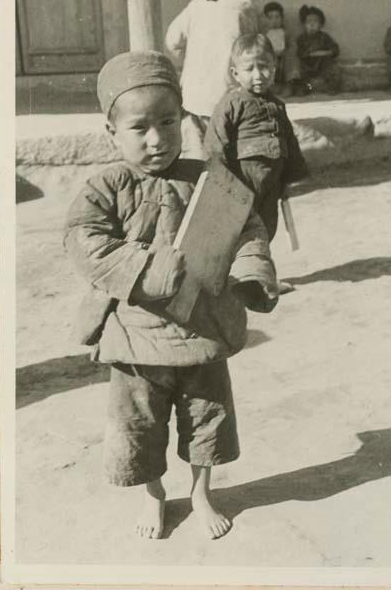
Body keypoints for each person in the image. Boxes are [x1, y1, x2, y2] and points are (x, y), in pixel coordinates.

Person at [64, 51, 279, 541]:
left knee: (209, 418)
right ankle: (154, 493)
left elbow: (246, 225)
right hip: (137, 337)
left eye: (168, 121)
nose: (157, 139)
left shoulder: (208, 177)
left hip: (204, 326)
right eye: (140, 128)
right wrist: (149, 267)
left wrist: (250, 271)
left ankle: (202, 492)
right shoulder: (106, 187)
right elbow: (85, 240)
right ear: (111, 132)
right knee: (140, 421)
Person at [205, 33, 308, 244]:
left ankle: (262, 270)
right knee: (240, 230)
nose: (258, 75)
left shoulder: (278, 105)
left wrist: (288, 178)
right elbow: (215, 143)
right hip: (243, 181)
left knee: (268, 227)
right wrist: (221, 181)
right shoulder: (232, 103)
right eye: (249, 69)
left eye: (264, 67)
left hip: (272, 181)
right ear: (235, 73)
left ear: (274, 68)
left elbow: (289, 141)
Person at [165, 0, 258, 158]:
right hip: (227, 91)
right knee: (226, 147)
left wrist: (186, 62)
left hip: (193, 93)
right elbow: (252, 44)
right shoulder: (243, 6)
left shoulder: (195, 7)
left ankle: (199, 182)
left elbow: (172, 41)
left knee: (198, 149)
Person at [295, 4, 342, 95]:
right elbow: (300, 52)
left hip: (322, 63)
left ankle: (332, 88)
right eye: (309, 21)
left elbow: (335, 49)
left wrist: (327, 52)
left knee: (333, 69)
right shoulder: (301, 38)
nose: (312, 24)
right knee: (300, 72)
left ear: (320, 24)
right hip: (307, 64)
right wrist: (309, 54)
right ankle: (304, 89)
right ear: (304, 24)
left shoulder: (324, 37)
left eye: (315, 21)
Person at [262, 1, 286, 87]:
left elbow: (290, 46)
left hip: (283, 56)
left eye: (277, 17)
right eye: (270, 18)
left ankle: (285, 84)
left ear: (282, 18)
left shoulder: (285, 33)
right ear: (265, 20)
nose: (274, 21)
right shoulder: (265, 34)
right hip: (271, 56)